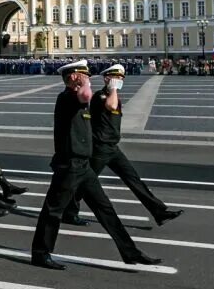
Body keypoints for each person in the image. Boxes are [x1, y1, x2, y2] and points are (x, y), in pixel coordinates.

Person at [30, 59, 161, 270]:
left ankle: (130, 252)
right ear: (73, 77)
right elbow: (85, 94)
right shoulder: (67, 97)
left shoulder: (78, 98)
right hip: (69, 165)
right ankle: (40, 253)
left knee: (105, 209)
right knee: (53, 211)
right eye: (85, 75)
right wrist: (84, 84)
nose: (89, 78)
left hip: (83, 167)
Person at [61, 64, 184, 227]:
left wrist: (114, 91)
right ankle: (69, 212)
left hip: (112, 148)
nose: (119, 81)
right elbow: (111, 106)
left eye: (120, 79)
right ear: (107, 79)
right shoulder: (100, 96)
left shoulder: (113, 95)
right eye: (116, 78)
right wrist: (113, 89)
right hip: (100, 148)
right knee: (86, 183)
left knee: (133, 179)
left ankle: (159, 212)